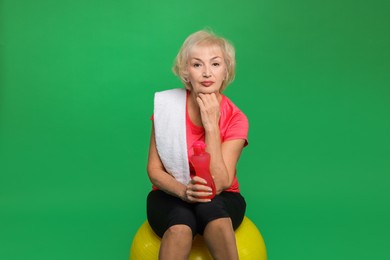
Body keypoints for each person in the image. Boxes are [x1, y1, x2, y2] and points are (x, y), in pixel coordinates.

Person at [146, 30, 249, 260]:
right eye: (197, 64)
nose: (206, 73)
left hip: (222, 197)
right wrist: (183, 192)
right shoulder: (166, 108)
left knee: (213, 213)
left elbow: (221, 181)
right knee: (181, 226)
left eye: (215, 64)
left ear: (226, 71)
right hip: (171, 192)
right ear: (185, 72)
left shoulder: (237, 118)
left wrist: (211, 124)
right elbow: (154, 170)